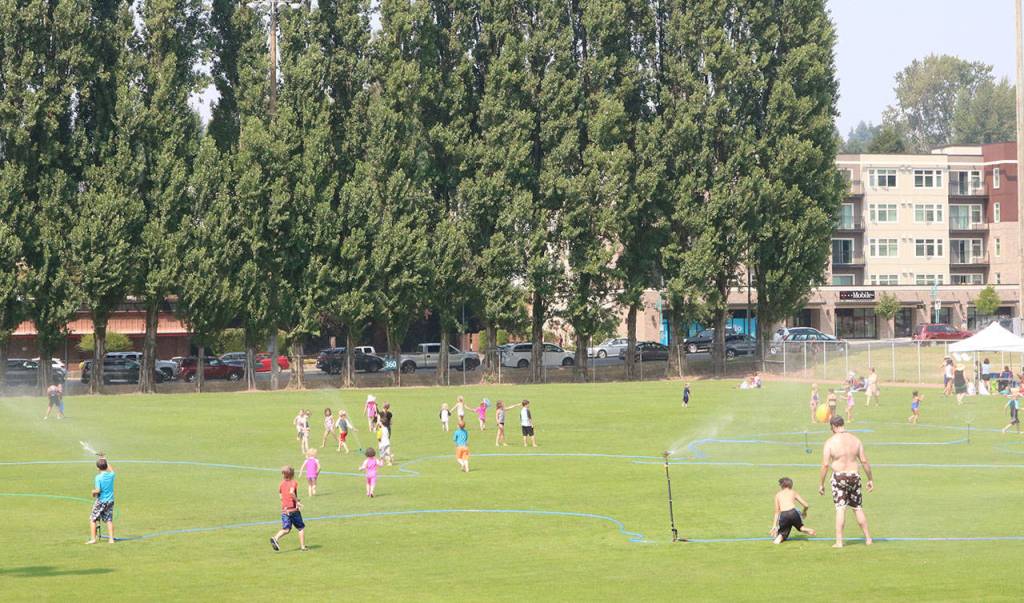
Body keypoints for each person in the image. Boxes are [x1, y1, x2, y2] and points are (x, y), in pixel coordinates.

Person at [818, 416, 873, 548]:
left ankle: (839, 541)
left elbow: (825, 464)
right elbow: (864, 461)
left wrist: (821, 483)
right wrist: (870, 479)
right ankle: (868, 538)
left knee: (840, 509)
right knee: (857, 508)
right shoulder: (856, 440)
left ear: (834, 427)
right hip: (854, 476)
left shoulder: (830, 442)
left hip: (839, 477)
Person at [270, 466, 307, 551]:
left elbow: (281, 497)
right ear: (292, 474)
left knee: (286, 529)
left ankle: (275, 538)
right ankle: (302, 547)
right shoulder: (293, 482)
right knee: (301, 528)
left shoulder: (281, 483)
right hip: (293, 510)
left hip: (285, 510)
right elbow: (291, 492)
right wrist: (297, 501)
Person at [769, 477, 815, 544]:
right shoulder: (793, 492)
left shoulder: (778, 495)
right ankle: (805, 529)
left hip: (784, 514)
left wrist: (774, 526)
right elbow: (806, 505)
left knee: (782, 533)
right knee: (800, 527)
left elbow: (777, 512)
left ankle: (778, 539)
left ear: (781, 485)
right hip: (793, 512)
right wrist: (804, 512)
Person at [86, 457, 116, 544]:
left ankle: (93, 539)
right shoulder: (111, 475)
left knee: (93, 519)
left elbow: (98, 490)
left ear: (98, 468)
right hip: (110, 500)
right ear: (106, 466)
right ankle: (111, 539)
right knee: (109, 520)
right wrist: (105, 459)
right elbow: (112, 470)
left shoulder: (98, 477)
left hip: (101, 501)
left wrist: (93, 492)